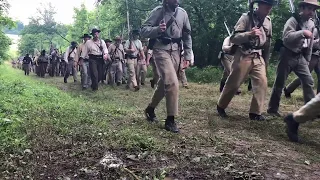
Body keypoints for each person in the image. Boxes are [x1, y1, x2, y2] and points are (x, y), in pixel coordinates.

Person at [217, 0, 274, 121]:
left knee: (262, 83)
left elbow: (268, 44)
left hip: (258, 56)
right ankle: (221, 106)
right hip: (243, 54)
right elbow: (234, 38)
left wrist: (266, 61)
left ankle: (255, 112)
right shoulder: (246, 18)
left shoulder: (268, 21)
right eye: (266, 5)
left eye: (270, 5)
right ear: (259, 5)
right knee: (234, 83)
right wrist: (249, 34)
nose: (269, 8)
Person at [141, 0, 192, 133]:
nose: (176, 1)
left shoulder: (183, 13)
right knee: (173, 83)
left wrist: (187, 54)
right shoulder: (158, 11)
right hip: (160, 49)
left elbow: (187, 35)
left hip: (176, 51)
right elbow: (143, 30)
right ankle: (170, 120)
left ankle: (150, 109)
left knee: (165, 83)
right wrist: (158, 29)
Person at [268, 0, 319, 117]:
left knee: (308, 81)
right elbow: (286, 38)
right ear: (302, 8)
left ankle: (310, 111)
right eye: (309, 9)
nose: (312, 12)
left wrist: (307, 58)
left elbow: (310, 43)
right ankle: (272, 109)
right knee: (280, 83)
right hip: (287, 54)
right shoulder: (292, 21)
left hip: (300, 56)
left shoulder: (311, 24)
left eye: (314, 10)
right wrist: (302, 32)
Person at [285, 27, 320, 96]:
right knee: (305, 75)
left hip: (319, 55)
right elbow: (308, 43)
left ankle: (318, 97)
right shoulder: (315, 30)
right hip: (312, 55)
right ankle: (288, 89)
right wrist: (318, 41)